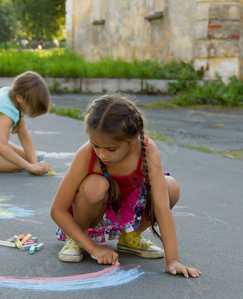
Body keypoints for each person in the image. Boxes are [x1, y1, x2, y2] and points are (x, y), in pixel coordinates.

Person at [50, 93, 201, 278]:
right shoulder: (87, 153)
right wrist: (94, 249)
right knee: (94, 186)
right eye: (96, 145)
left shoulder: (147, 149)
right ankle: (78, 239)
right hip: (93, 211)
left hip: (128, 209)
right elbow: (57, 210)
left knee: (171, 187)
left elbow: (162, 208)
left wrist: (173, 260)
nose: (102, 154)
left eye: (111, 149)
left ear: (132, 139)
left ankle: (131, 237)